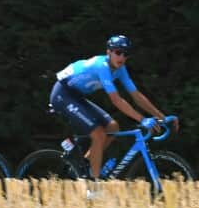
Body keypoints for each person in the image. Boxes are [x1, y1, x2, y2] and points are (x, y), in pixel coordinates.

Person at [51, 35, 177, 179]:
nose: (122, 57)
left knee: (113, 127)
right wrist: (142, 119)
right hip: (62, 94)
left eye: (126, 54)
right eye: (118, 52)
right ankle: (93, 186)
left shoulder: (120, 69)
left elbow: (136, 95)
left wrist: (162, 117)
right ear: (108, 52)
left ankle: (86, 164)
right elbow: (116, 100)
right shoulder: (102, 66)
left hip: (76, 96)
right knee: (98, 134)